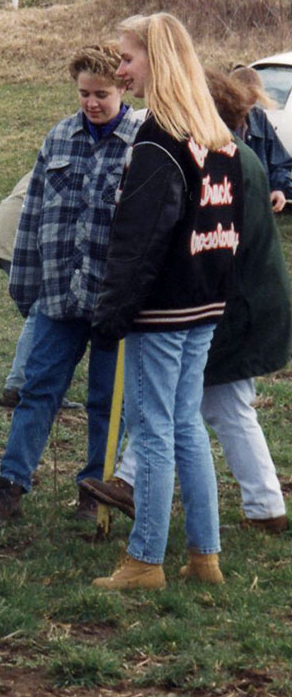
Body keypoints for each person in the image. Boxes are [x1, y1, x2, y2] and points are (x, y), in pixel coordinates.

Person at [82, 69, 290, 533]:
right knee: (205, 402)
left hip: (235, 304)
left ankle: (137, 483)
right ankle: (264, 507)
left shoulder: (231, 160)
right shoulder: (225, 154)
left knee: (201, 401)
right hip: (231, 301)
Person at [92, 13, 243, 591]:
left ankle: (144, 560)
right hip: (205, 304)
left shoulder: (157, 140)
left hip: (163, 309)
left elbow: (137, 240)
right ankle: (205, 558)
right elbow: (237, 230)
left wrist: (112, 313)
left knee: (153, 429)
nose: (120, 69)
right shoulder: (217, 138)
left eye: (127, 58)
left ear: (156, 58)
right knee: (184, 426)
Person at [0, 44, 141, 528]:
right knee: (37, 390)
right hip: (57, 296)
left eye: (102, 95)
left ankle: (94, 492)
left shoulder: (144, 140)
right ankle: (9, 486)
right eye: (84, 94)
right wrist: (25, 288)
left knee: (107, 403)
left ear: (124, 88)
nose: (92, 103)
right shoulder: (58, 137)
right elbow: (31, 218)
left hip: (114, 302)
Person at [0, 172, 82, 411]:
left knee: (44, 309)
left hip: (15, 228)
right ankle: (23, 385)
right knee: (44, 309)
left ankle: (30, 383)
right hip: (22, 233)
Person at [230, 65, 292, 211]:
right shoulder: (217, 121)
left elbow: (280, 162)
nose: (247, 108)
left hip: (257, 209)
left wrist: (279, 188)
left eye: (252, 102)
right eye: (243, 101)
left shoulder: (259, 118)